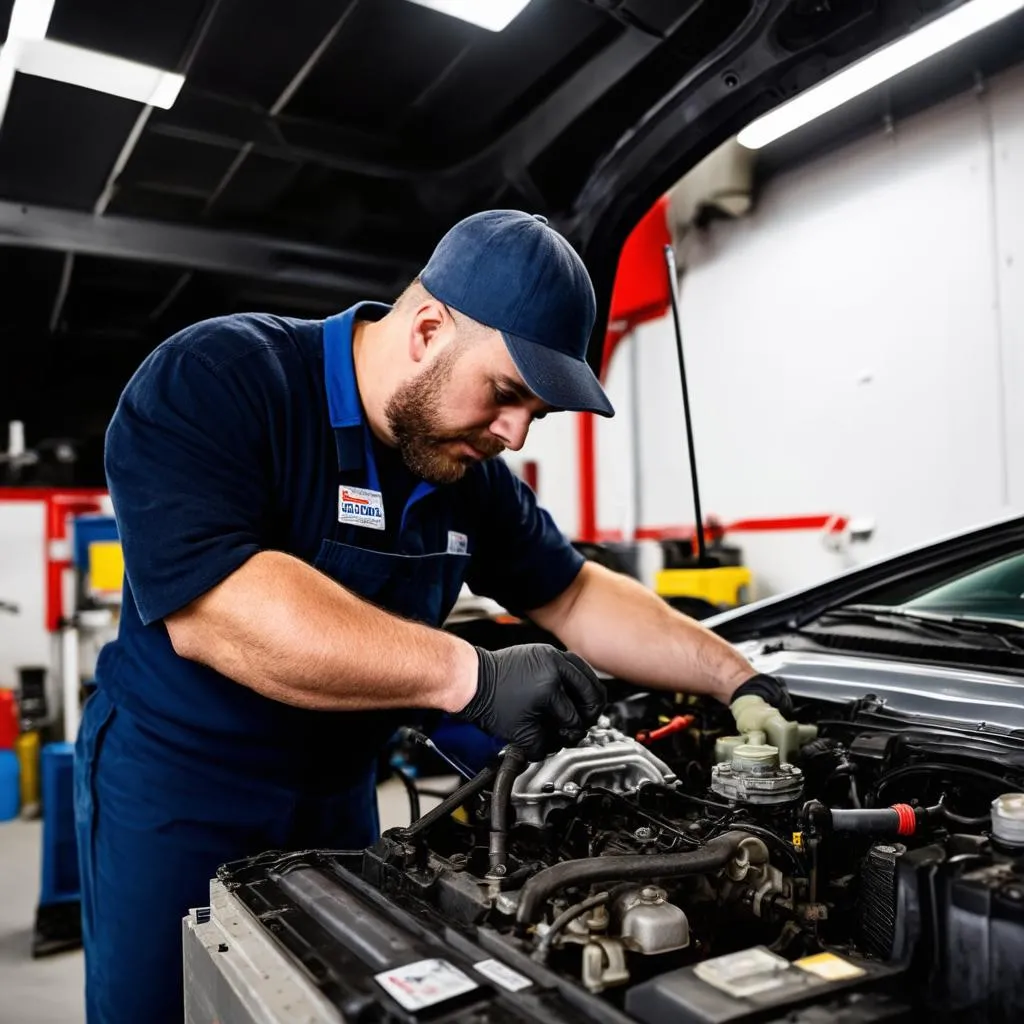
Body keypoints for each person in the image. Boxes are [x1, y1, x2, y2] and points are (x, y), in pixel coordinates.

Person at [73, 209, 793, 1023]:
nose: (515, 433)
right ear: (424, 330)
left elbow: (577, 593)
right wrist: (471, 675)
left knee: (334, 1004)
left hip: (337, 791)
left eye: (536, 414)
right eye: (506, 393)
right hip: (178, 786)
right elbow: (223, 608)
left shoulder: (468, 477)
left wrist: (739, 678)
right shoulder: (221, 378)